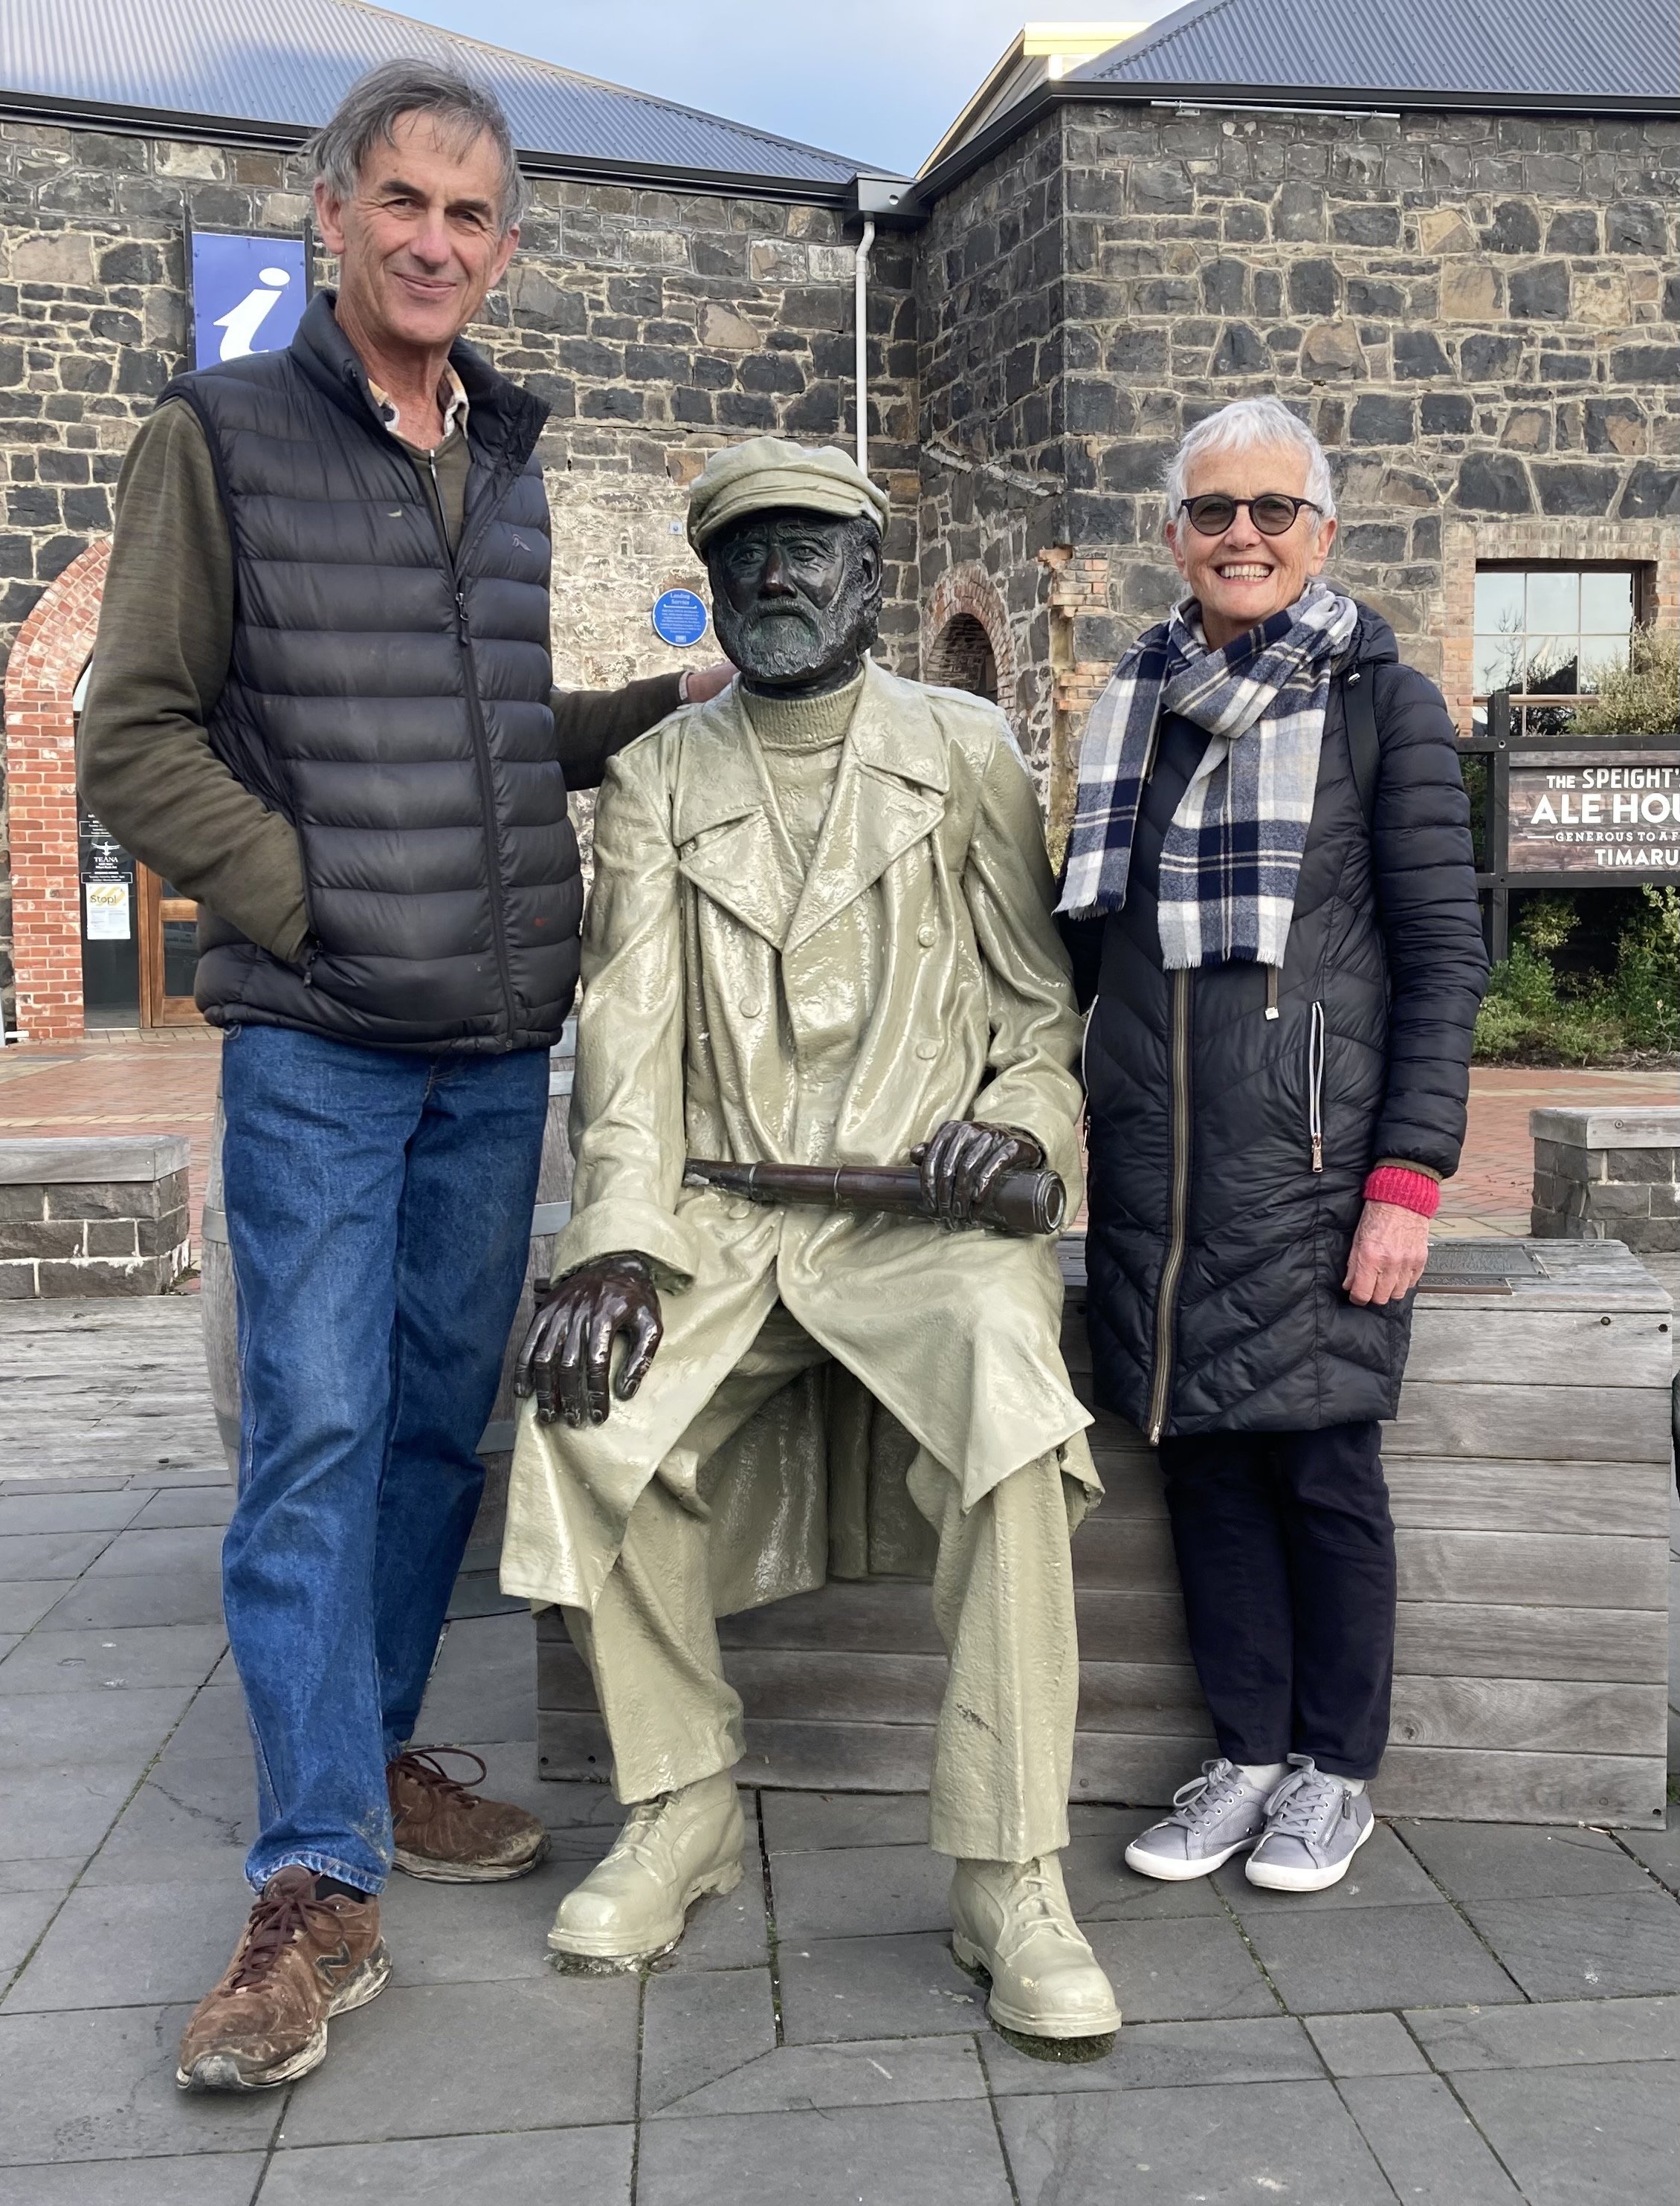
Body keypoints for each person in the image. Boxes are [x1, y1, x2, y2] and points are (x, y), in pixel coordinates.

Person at [77, 61, 731, 2092]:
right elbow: (136, 740)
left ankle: (361, 1766)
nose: (435, 241)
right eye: (402, 204)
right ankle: (306, 1888)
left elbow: (474, 726)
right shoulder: (224, 435)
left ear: (500, 246)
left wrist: (659, 711)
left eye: (471, 215)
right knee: (316, 1437)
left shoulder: (503, 453)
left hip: (489, 1048)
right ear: (331, 219)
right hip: (326, 1049)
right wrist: (317, 910)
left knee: (444, 1438)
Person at [501, 436, 1121, 2052]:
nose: (780, 575)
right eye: (750, 551)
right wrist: (614, 1240)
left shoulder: (967, 746)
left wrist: (1026, 1135)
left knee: (1010, 1397)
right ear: (713, 580)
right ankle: (682, 1797)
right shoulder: (653, 777)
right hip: (716, 1212)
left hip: (923, 1211)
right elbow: (623, 1041)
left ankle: (1011, 1869)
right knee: (590, 1416)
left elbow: (1040, 1014)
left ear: (870, 578)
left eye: (813, 550)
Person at [1056, 395, 1487, 1895]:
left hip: (1314, 1171)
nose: (1243, 534)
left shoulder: (1383, 702)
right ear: (1173, 532)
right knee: (1205, 1471)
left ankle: (1334, 1769)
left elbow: (1444, 959)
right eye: (1214, 509)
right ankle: (1245, 1750)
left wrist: (1409, 1180)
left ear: (1324, 531)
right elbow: (1087, 950)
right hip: (1161, 1176)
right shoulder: (1140, 698)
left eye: (1272, 510)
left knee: (1321, 1470)